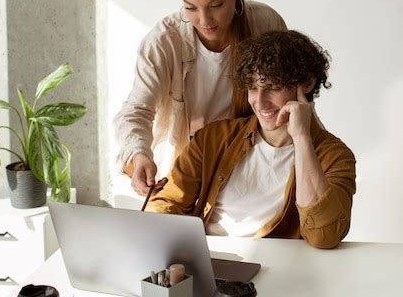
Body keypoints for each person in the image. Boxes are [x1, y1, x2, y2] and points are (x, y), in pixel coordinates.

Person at [147, 30, 356, 249]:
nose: (259, 102)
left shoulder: (335, 157)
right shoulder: (213, 138)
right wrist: (148, 229)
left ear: (306, 84)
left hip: (274, 269)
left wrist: (302, 137)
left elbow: (324, 237)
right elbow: (169, 202)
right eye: (253, 88)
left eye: (272, 88)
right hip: (208, 260)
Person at [114, 0, 286, 195]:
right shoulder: (164, 41)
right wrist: (139, 156)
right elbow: (136, 110)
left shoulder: (266, 25)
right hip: (186, 169)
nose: (205, 19)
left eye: (216, 5)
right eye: (190, 7)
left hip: (257, 164)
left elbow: (291, 97)